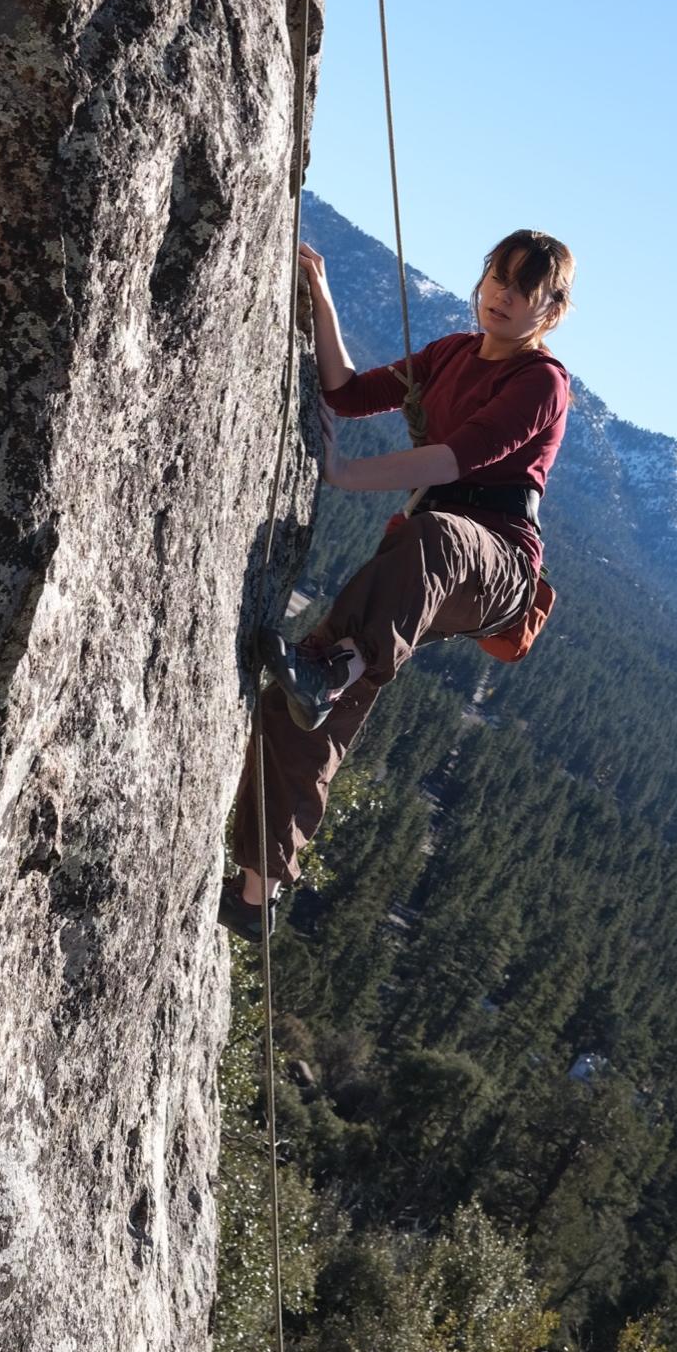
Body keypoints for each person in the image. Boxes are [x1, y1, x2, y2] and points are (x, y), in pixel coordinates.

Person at [219, 228, 576, 941]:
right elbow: (348, 393)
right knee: (299, 704)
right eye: (497, 279)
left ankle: (337, 665)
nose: (502, 296)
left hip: (496, 561)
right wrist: (319, 297)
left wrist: (343, 474)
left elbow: (455, 461)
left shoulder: (540, 382)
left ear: (549, 310)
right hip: (427, 559)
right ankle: (257, 891)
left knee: (431, 540)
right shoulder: (449, 353)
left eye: (522, 289)